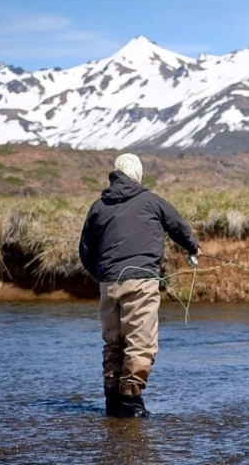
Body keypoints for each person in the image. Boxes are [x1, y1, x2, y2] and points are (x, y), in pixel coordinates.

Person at [79, 153, 201, 418]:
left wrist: (104, 277)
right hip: (142, 282)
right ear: (138, 176)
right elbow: (179, 227)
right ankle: (130, 403)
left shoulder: (98, 206)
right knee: (140, 343)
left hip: (108, 284)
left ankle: (113, 403)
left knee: (114, 343)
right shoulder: (152, 201)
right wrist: (193, 248)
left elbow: (86, 252)